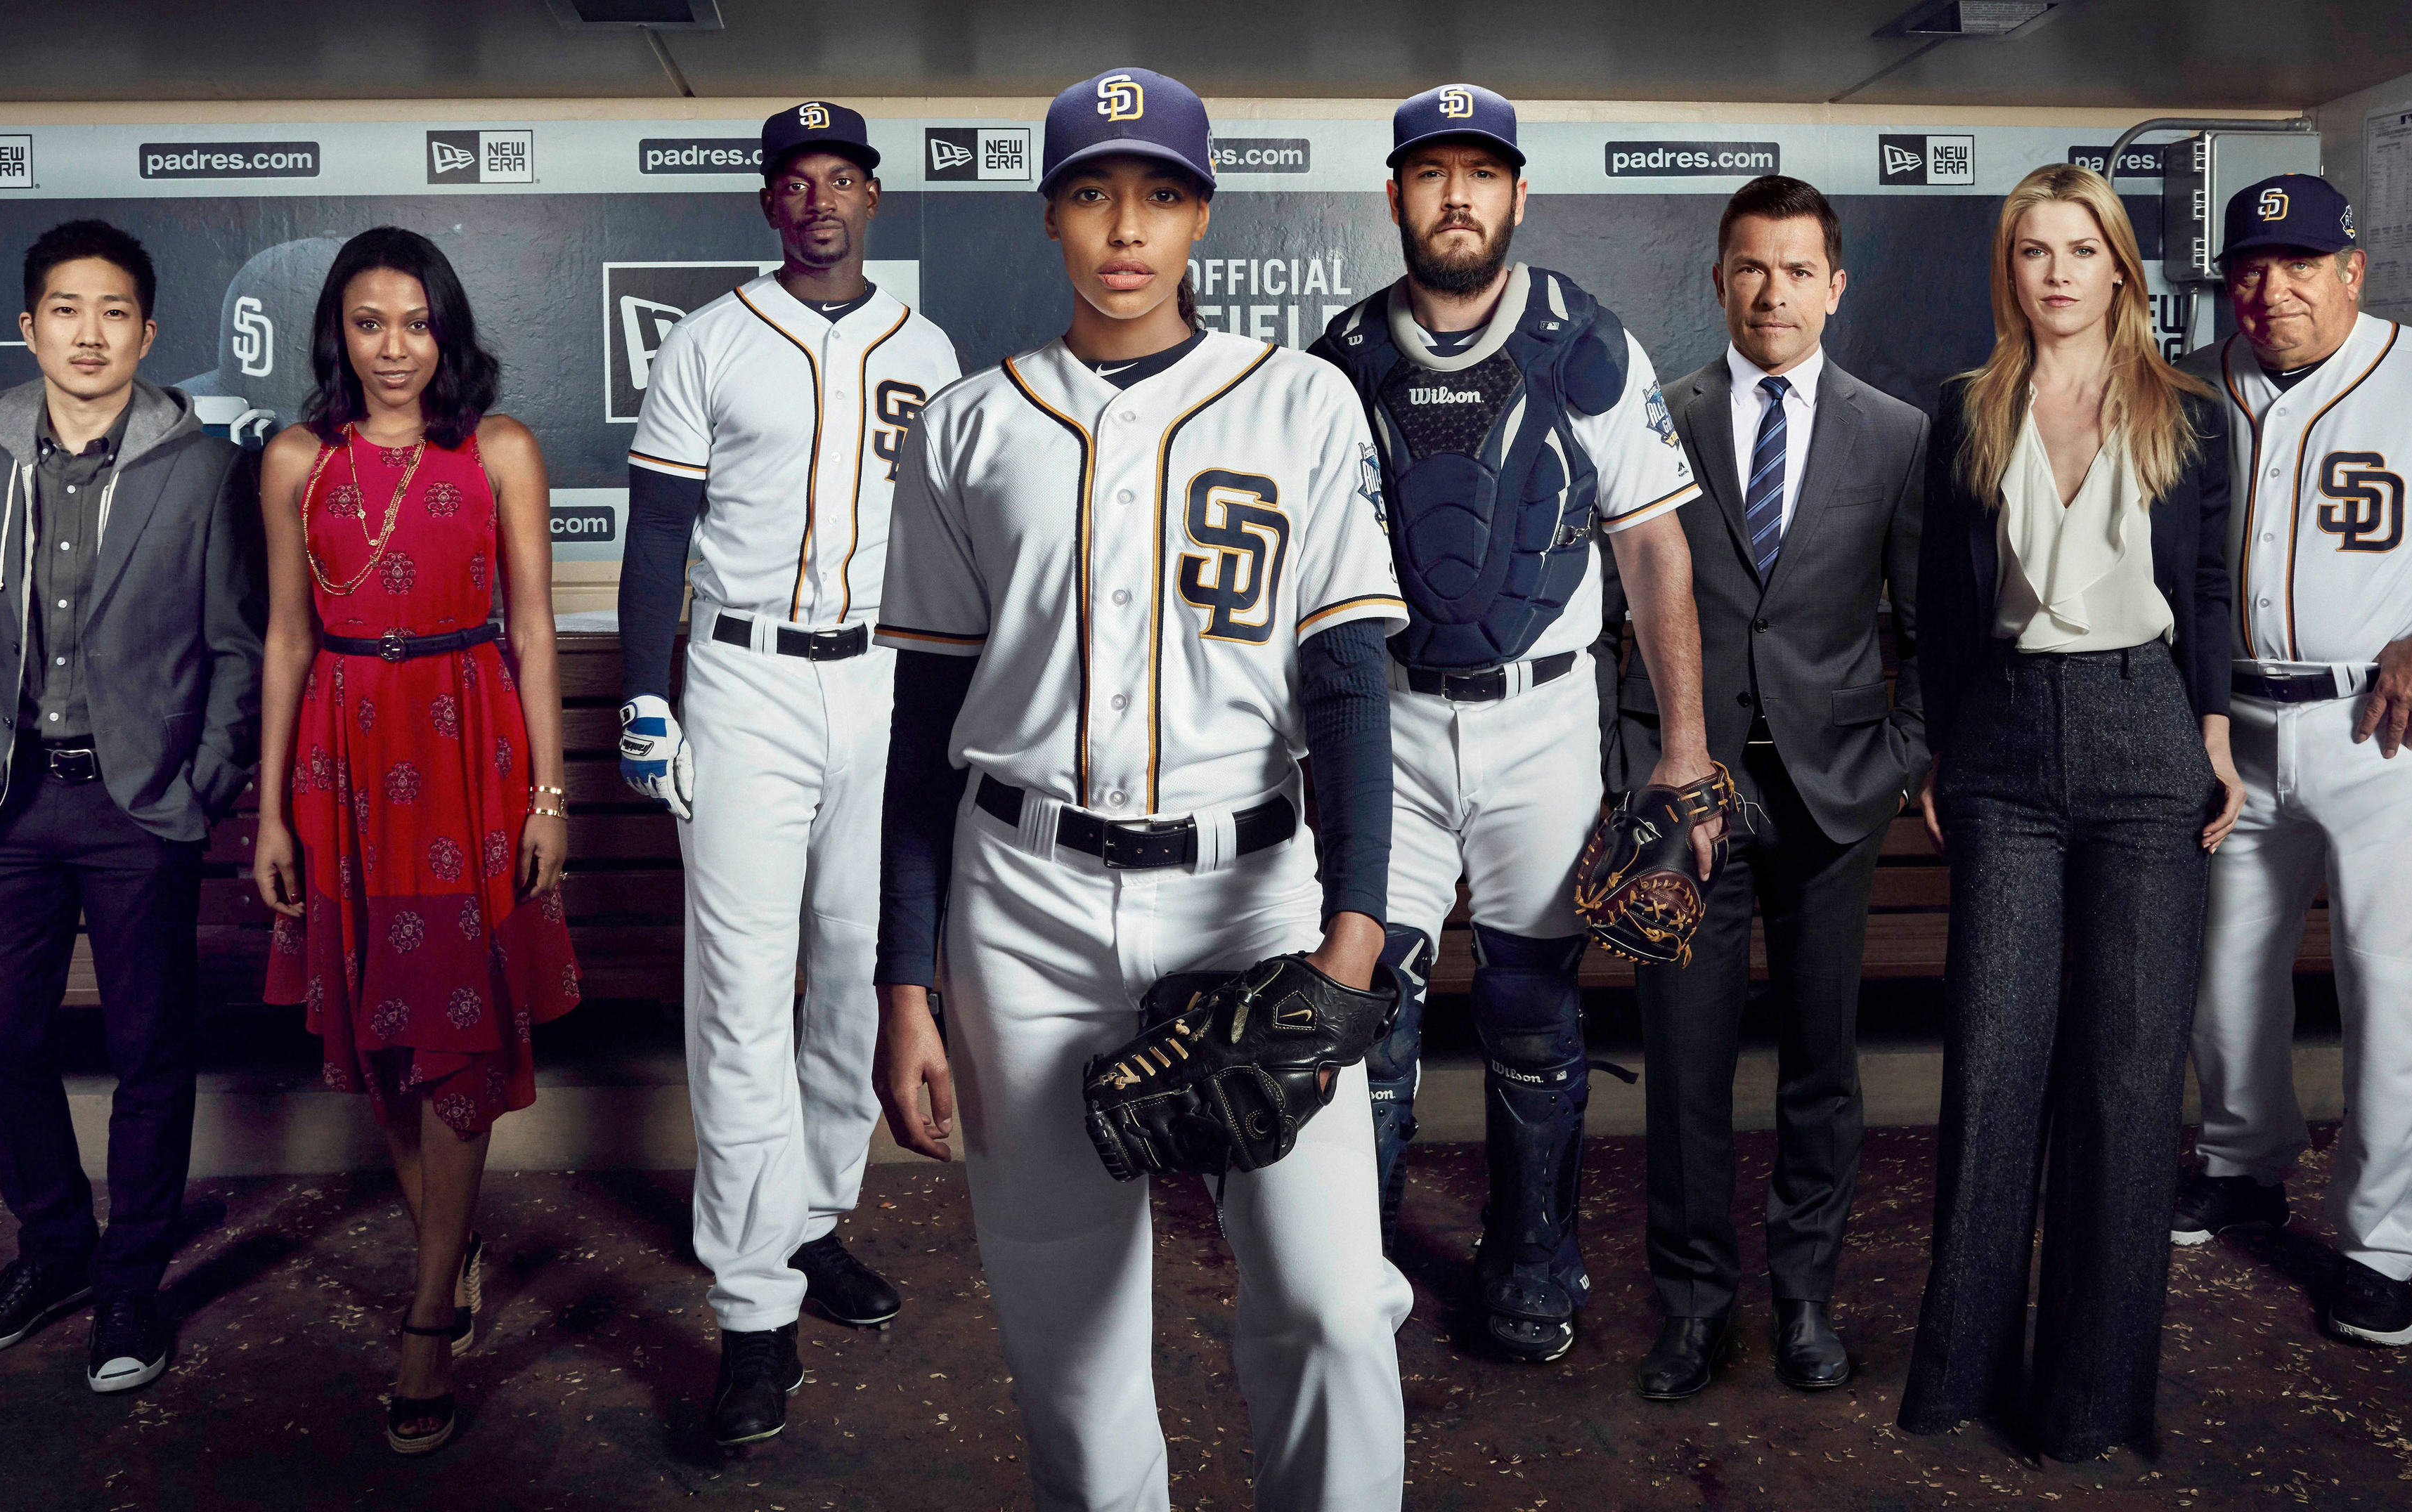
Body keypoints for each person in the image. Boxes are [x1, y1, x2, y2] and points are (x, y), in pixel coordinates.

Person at [869, 67, 1413, 1511]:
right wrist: (900, 981)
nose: (1127, 227)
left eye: (1160, 194)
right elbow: (923, 719)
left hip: (1251, 897)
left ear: (1200, 215)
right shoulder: (966, 425)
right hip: (1021, 899)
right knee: (1068, 1337)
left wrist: (1351, 943)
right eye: (1096, 191)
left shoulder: (1301, 401)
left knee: (1332, 1303)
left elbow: (1352, 682)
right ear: (1050, 213)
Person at [1308, 81, 1720, 1367]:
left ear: (1518, 193)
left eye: (1481, 173)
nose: (1457, 196)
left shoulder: (1587, 345)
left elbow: (1654, 549)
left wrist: (1687, 750)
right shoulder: (1340, 360)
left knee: (1536, 1009)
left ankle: (1531, 1257)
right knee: (1372, 1005)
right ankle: (1351, 1266)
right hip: (1393, 726)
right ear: (1395, 197)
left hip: (1543, 722)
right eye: (1432, 173)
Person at [2172, 175, 2412, 1347]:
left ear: (2354, 271)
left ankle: (2380, 1247)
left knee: (2394, 994)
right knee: (2227, 977)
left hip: (2388, 729)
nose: (2272, 288)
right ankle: (2244, 1169)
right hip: (2236, 727)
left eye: (2300, 265)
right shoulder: (2195, 379)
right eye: (2252, 266)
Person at [614, 100, 959, 1449]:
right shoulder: (708, 339)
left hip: (878, 681)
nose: (817, 200)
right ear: (770, 206)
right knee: (743, 994)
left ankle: (815, 1220)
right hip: (747, 679)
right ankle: (753, 1312)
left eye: (841, 178)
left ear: (875, 198)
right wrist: (651, 693)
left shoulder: (928, 350)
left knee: (859, 964)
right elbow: (657, 539)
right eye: (794, 181)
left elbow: (948, 559)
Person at [1897, 164, 2244, 1461]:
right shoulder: (1967, 412)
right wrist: (1943, 744)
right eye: (2034, 250)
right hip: (2003, 747)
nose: (2056, 271)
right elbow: (1938, 601)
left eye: (2080, 248)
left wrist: (2213, 734)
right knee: (1993, 1068)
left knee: (2128, 1077)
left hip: (2147, 738)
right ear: (2013, 269)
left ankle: (2091, 1405)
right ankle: (1960, 1378)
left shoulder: (2191, 415)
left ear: (2120, 268)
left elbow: (2206, 590)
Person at [0, 219, 264, 1395]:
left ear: (148, 333)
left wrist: (202, 783)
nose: (90, 332)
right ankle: (53, 1251)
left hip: (136, 808)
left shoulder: (201, 466)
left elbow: (231, 645)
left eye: (114, 311)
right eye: (67, 309)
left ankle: (130, 1288)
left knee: (148, 1050)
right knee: (0, 1038)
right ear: (29, 327)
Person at [249, 226, 583, 1455]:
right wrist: (272, 805)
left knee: (455, 1028)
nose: (394, 348)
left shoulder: (498, 451)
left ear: (450, 329)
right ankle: (457, 1243)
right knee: (380, 1037)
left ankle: (430, 1310)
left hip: (465, 750)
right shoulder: (295, 458)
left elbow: (536, 632)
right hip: (341, 756)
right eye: (368, 323)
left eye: (415, 322)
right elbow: (287, 638)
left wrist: (550, 798)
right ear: (337, 333)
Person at [1629, 176, 1931, 1401]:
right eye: (1751, 267)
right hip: (1693, 798)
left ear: (1836, 285)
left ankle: (1806, 1298)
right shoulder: (1655, 420)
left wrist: (1902, 753)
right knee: (1685, 1065)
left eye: (1798, 269)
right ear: (1718, 280)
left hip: (1836, 792)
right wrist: (1644, 766)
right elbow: (1621, 617)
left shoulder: (1897, 433)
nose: (1774, 291)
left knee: (1821, 1063)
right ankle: (1694, 1311)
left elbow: (1926, 621)